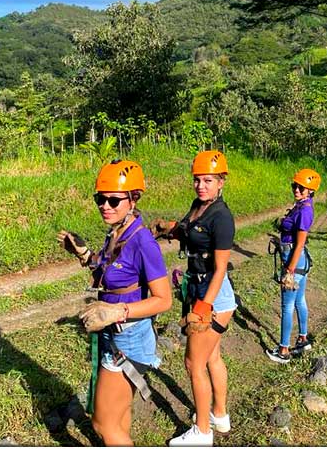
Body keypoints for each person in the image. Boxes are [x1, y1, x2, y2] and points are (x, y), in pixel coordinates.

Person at [57, 159, 172, 446]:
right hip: (116, 335)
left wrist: (115, 311)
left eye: (113, 200)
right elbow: (110, 274)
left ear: (134, 199)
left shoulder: (143, 242)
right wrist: (84, 255)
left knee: (102, 423)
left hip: (129, 340)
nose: (105, 206)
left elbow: (164, 300)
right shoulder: (117, 233)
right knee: (119, 417)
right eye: (100, 199)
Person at [157, 150, 238, 447]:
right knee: (212, 356)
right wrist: (171, 229)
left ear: (221, 182)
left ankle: (202, 432)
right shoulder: (198, 207)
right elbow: (188, 231)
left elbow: (220, 270)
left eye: (208, 180)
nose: (201, 185)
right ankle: (219, 414)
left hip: (214, 296)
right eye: (197, 180)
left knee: (193, 363)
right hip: (200, 291)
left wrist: (204, 307)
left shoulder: (222, 217)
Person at [265, 169, 320, 364]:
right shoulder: (301, 205)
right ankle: (303, 339)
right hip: (299, 259)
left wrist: (289, 270)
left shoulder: (305, 211)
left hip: (293, 258)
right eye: (294, 185)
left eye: (301, 187)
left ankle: (283, 349)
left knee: (287, 305)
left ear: (310, 190)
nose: (296, 189)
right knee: (299, 300)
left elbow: (300, 243)